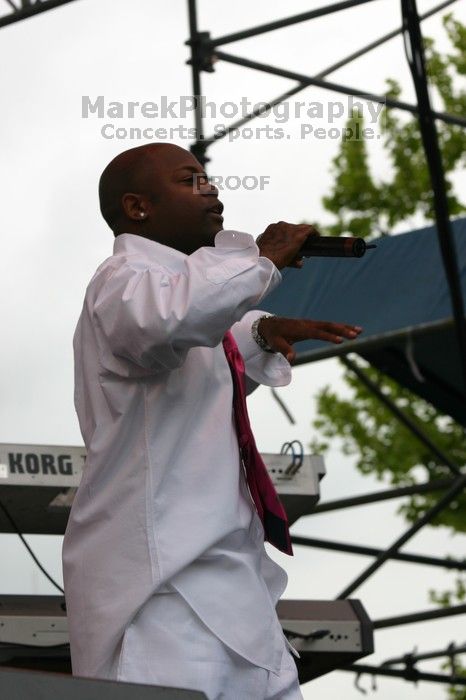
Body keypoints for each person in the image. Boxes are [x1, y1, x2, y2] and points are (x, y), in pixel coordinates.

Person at [62, 142, 362, 700]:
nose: (213, 192)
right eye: (190, 181)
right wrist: (260, 259)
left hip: (233, 579)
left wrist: (258, 334)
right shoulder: (121, 279)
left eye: (209, 179)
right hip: (162, 587)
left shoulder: (181, 291)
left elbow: (193, 377)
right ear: (138, 207)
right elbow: (171, 322)